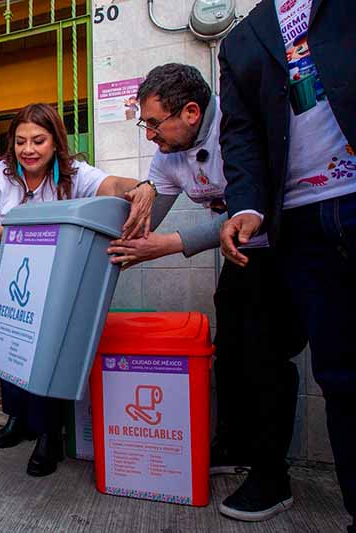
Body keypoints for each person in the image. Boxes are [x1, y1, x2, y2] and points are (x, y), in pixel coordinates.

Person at [106, 63, 307, 509]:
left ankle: (273, 475)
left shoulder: (237, 128)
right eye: (144, 124)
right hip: (241, 257)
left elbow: (250, 208)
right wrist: (106, 241)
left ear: (192, 113)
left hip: (283, 246)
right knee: (230, 352)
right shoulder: (168, 153)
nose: (149, 135)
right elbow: (146, 221)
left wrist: (171, 244)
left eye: (154, 123)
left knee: (267, 357)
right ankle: (233, 444)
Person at [217, 1, 355, 528]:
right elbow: (242, 133)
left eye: (156, 122)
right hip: (297, 222)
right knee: (341, 377)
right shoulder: (243, 39)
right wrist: (247, 206)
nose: (151, 133)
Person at [0, 103, 155, 477]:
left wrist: (141, 188)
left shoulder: (74, 174)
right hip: (7, 265)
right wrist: (33, 228)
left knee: (48, 348)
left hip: (57, 272)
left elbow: (111, 186)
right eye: (20, 141)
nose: (28, 149)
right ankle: (16, 418)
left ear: (56, 142)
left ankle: (49, 435)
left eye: (38, 140)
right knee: (11, 340)